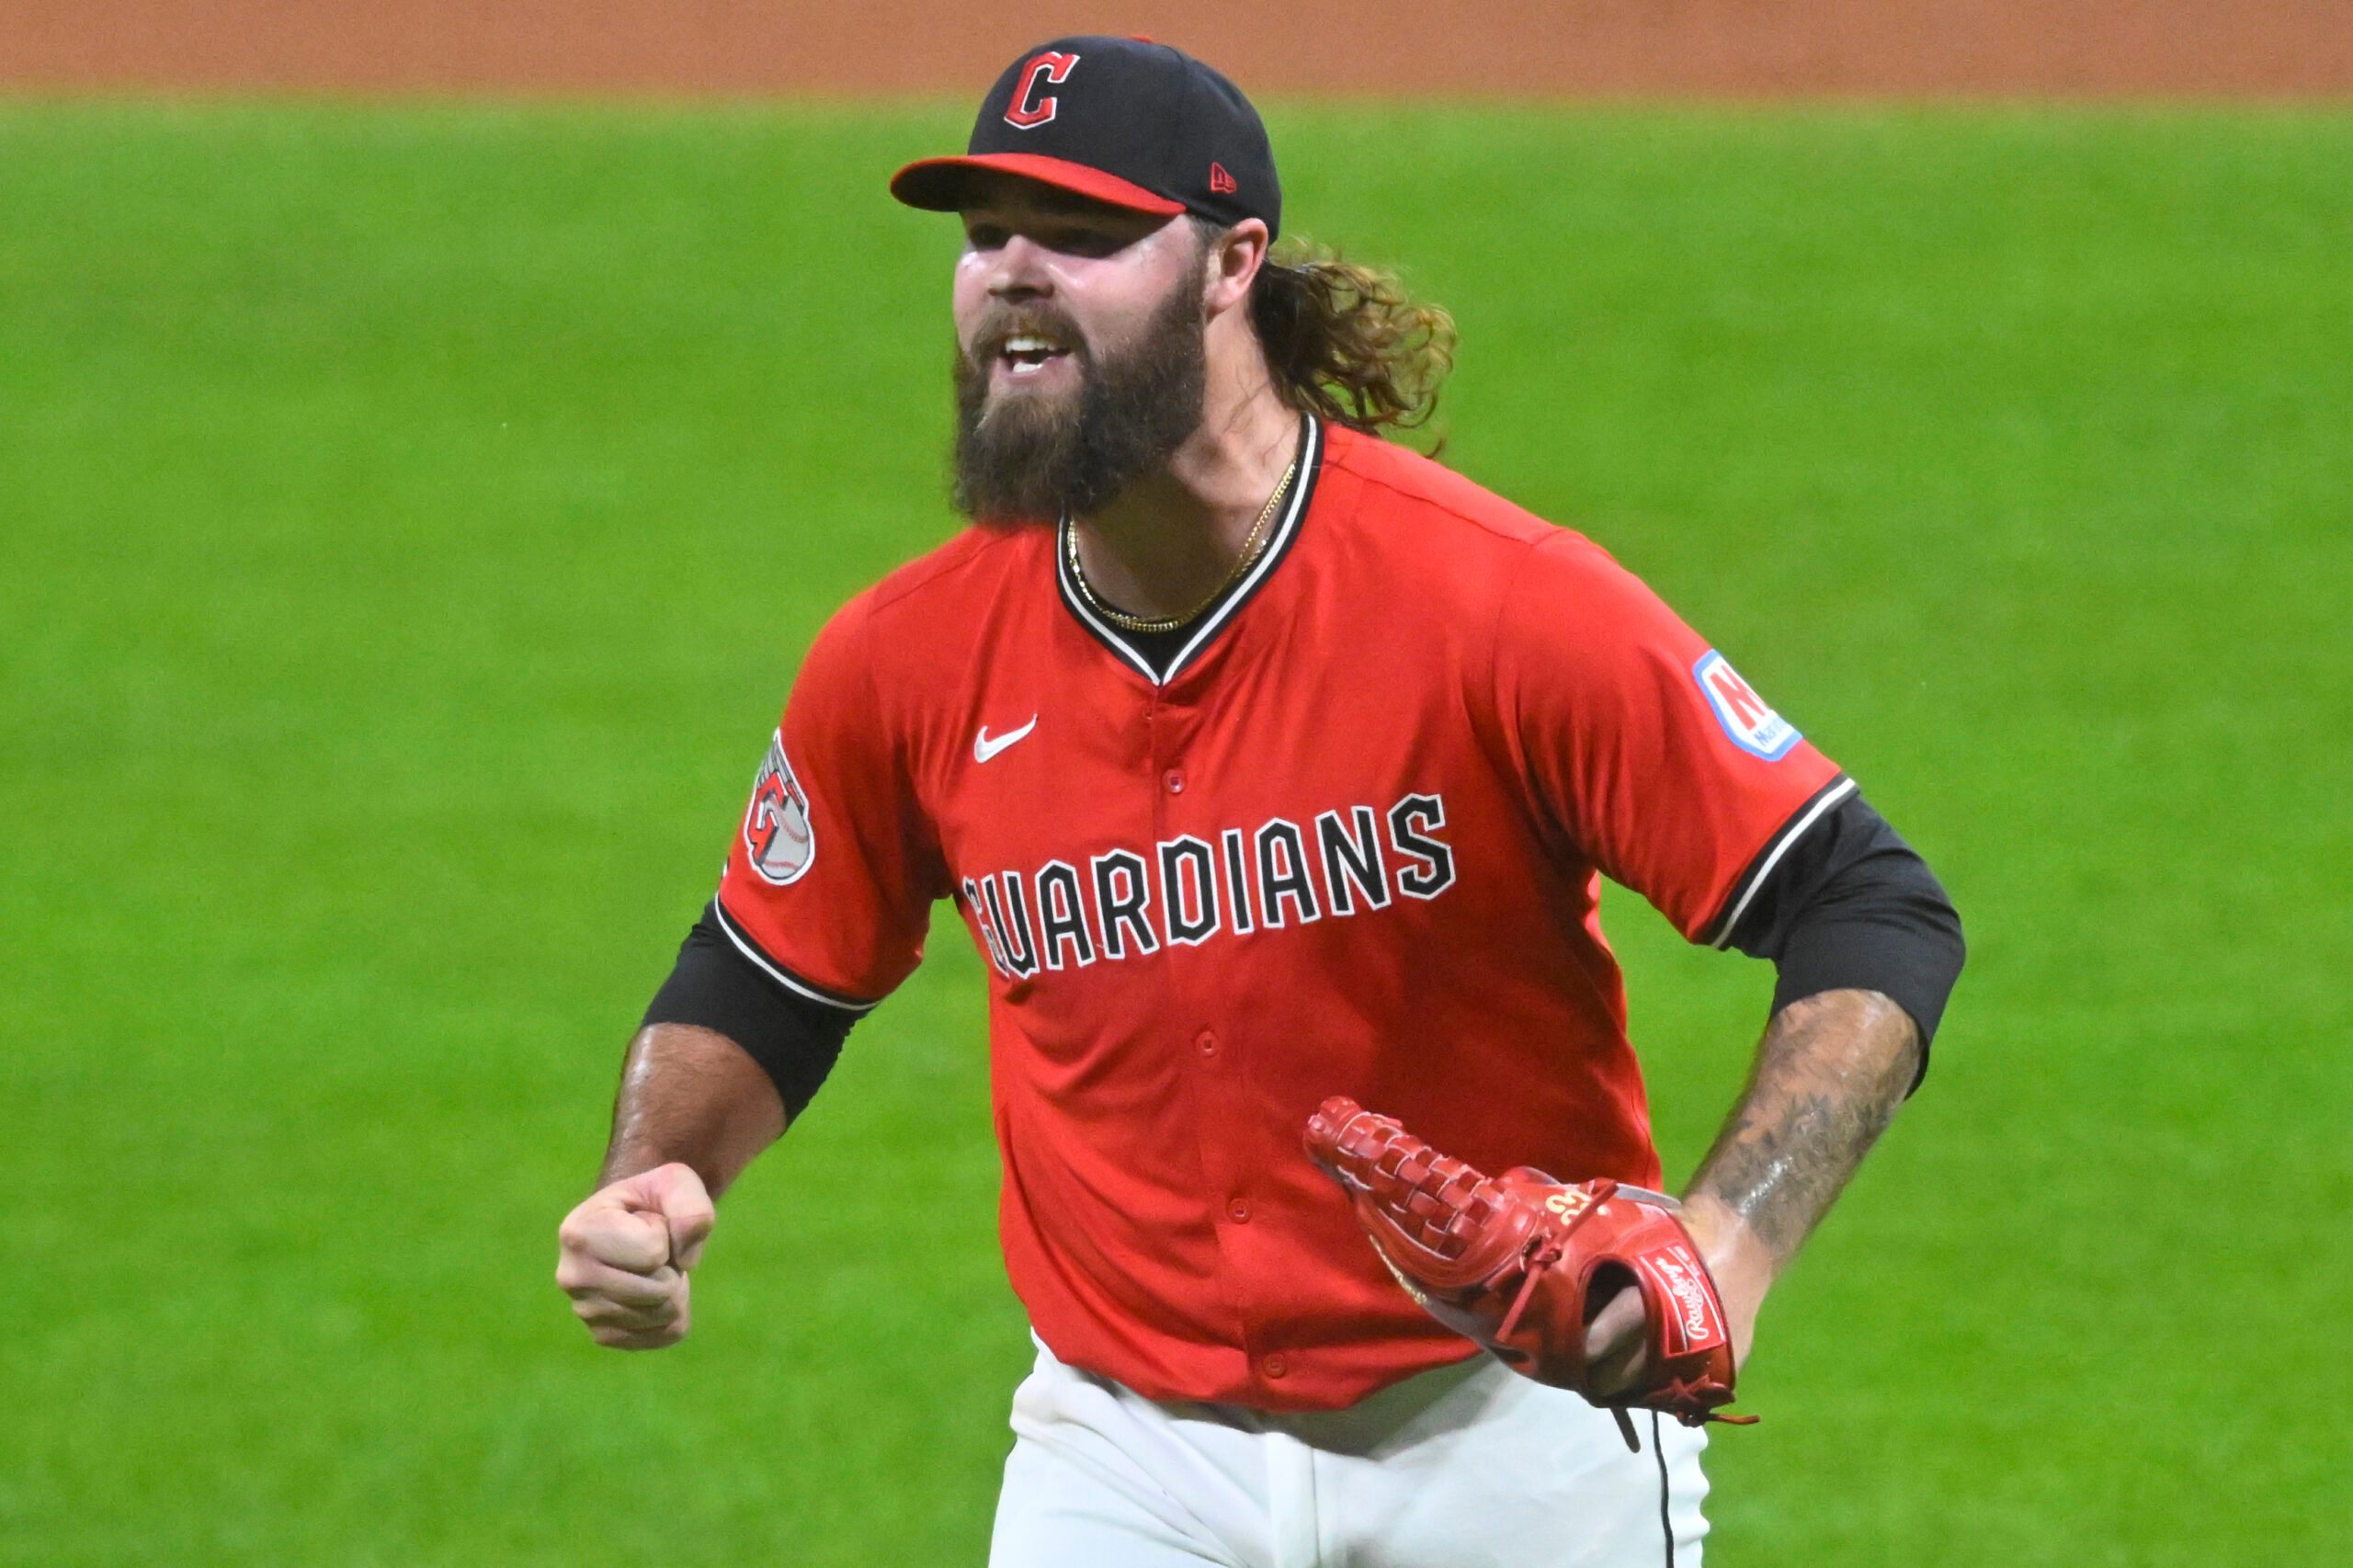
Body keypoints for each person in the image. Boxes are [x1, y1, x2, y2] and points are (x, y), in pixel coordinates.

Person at [553, 35, 1963, 1567]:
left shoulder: (1496, 607)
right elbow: (762, 982)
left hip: (1510, 1439)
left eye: (1081, 235)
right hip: (1124, 1454)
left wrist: (1721, 1246)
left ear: (1232, 264)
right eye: (983, 237)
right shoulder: (904, 660)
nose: (1011, 275)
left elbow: (1868, 905)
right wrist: (657, 1176)